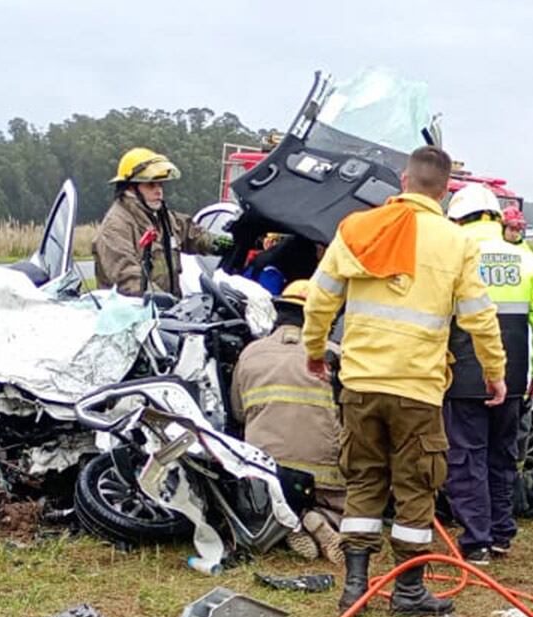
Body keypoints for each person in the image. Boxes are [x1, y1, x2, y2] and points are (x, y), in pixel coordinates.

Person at [301, 145, 508, 617]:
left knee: (364, 480)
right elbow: (480, 318)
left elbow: (320, 299)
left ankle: (355, 587)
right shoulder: (456, 243)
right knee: (417, 486)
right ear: (445, 190)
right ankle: (409, 590)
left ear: (403, 179)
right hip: (417, 388)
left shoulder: (357, 229)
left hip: (361, 383)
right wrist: (494, 374)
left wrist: (315, 351)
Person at [444, 184, 533, 562]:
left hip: (463, 378)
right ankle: (501, 533)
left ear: (458, 218)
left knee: (467, 458)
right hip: (512, 378)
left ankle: (476, 540)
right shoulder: (524, 258)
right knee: (503, 455)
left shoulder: (453, 254)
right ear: (495, 217)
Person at [232, 280, 346, 562]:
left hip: (264, 473)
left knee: (265, 505)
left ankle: (290, 522)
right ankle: (320, 517)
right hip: (322, 477)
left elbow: (237, 412)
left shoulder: (250, 353)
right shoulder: (334, 355)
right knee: (350, 510)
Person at [92, 147, 221, 298]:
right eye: (151, 185)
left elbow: (194, 235)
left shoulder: (163, 218)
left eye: (160, 184)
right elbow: (129, 280)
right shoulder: (115, 227)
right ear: (130, 188)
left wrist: (226, 244)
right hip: (131, 315)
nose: (158, 190)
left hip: (165, 314)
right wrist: (164, 302)